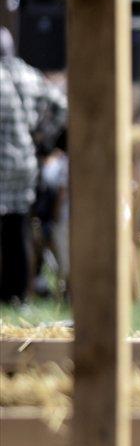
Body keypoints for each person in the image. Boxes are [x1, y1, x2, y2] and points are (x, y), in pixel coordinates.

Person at [0, 27, 67, 305]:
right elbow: (62, 106)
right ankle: (18, 295)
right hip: (24, 164)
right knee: (19, 232)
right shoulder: (28, 74)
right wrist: (44, 139)